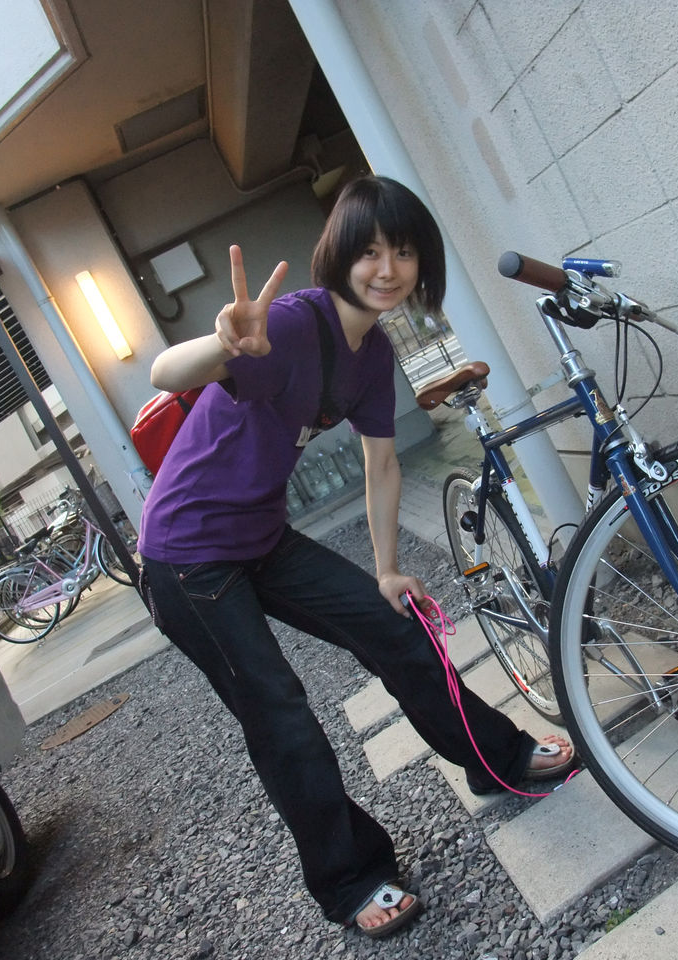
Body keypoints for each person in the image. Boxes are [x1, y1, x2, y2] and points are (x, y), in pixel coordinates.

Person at [137, 176, 573, 939]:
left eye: (403, 252)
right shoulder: (291, 323)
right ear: (338, 253)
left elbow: (383, 463)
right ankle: (349, 878)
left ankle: (493, 757)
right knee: (280, 711)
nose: (387, 268)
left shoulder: (371, 355)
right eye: (369, 250)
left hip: (261, 539)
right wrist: (223, 342)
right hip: (186, 558)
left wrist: (387, 569)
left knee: (395, 627)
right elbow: (165, 375)